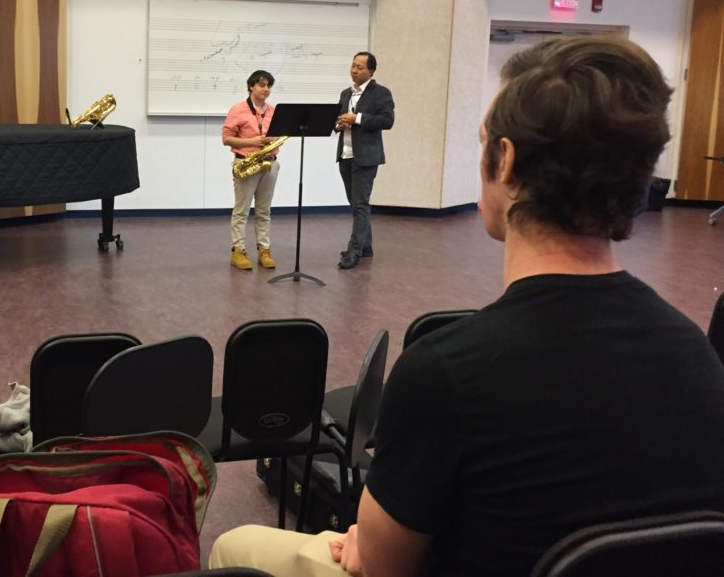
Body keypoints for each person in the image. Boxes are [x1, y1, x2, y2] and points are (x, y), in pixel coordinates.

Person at [210, 36, 724, 575]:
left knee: (237, 546)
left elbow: (381, 564)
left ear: (504, 161)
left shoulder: (445, 372)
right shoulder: (695, 353)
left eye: (484, 141)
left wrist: (365, 540)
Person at [335, 52, 395, 270]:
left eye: (360, 67)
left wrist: (357, 118)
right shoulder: (345, 93)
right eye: (353, 66)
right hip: (346, 155)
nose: (354, 70)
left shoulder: (381, 93)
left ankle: (354, 250)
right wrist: (339, 124)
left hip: (367, 157)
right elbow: (338, 120)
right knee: (355, 203)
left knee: (360, 204)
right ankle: (366, 246)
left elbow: (388, 120)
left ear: (371, 71)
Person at [222, 70, 281, 270]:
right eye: (262, 85)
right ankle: (238, 251)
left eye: (269, 86)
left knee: (264, 211)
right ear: (251, 86)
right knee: (242, 211)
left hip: (270, 163)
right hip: (247, 163)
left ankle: (264, 250)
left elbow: (279, 135)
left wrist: (272, 139)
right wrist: (252, 141)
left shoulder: (273, 111)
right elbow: (226, 138)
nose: (266, 89)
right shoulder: (238, 109)